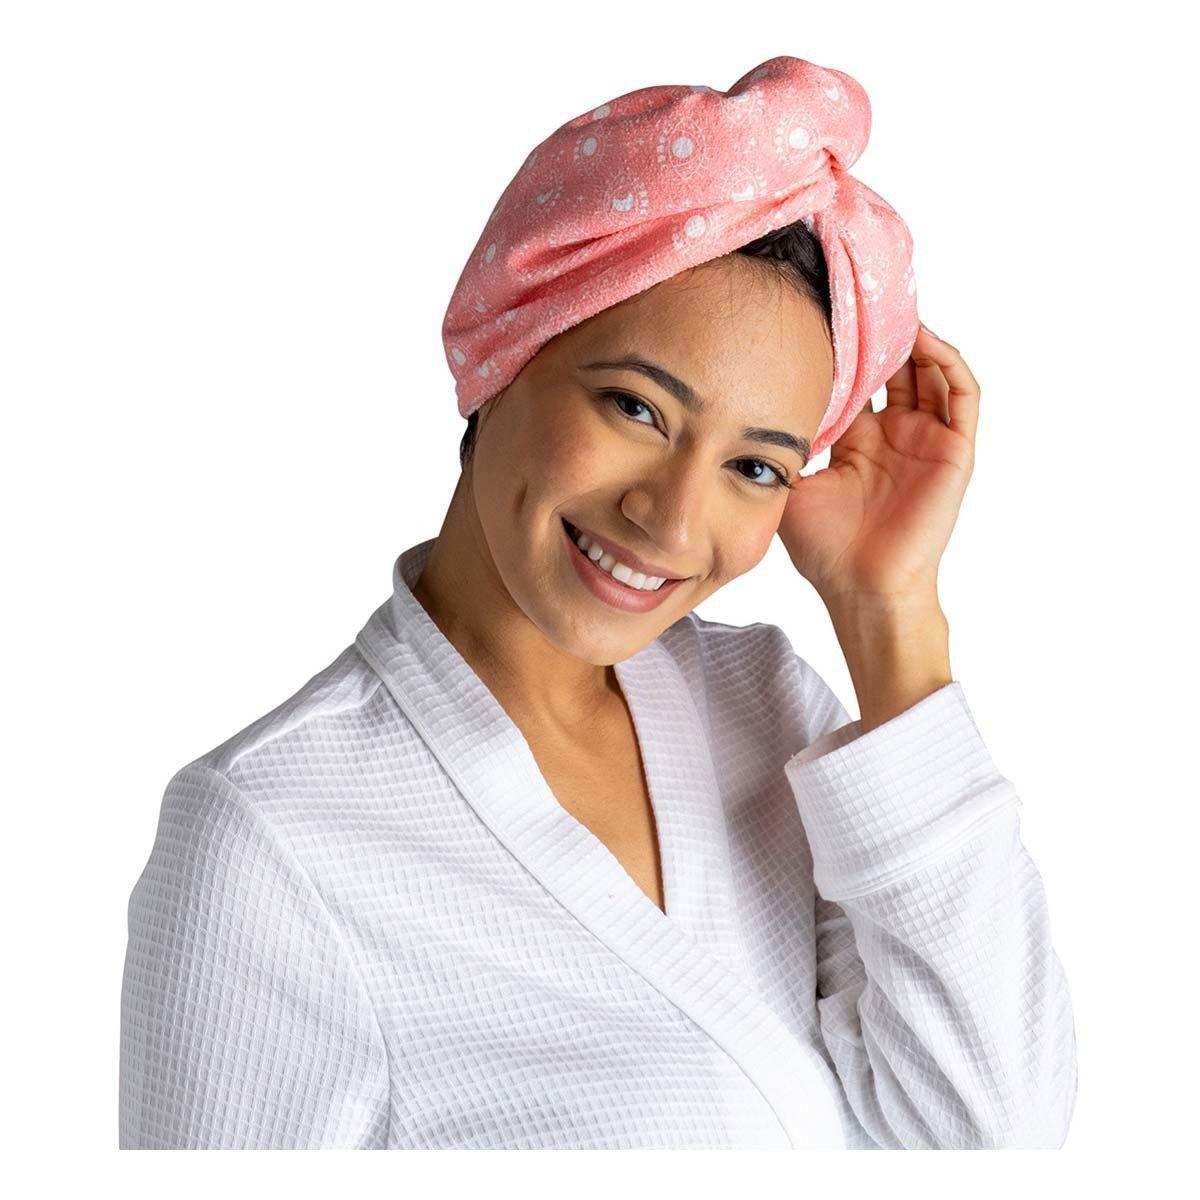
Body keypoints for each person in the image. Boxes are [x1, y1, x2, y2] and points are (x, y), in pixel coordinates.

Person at [119, 55, 1078, 1150]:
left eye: (755, 467)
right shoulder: (271, 836)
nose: (672, 522)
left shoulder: (763, 710)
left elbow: (990, 1135)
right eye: (636, 407)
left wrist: (889, 614)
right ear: (507, 350)